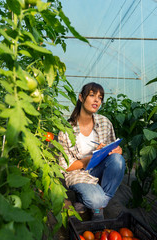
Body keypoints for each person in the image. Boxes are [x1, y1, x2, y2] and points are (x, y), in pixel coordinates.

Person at [58, 82, 126, 220]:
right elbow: (66, 167)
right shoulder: (66, 129)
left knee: (118, 160)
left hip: (99, 170)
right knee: (96, 200)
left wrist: (118, 150)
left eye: (100, 97)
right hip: (78, 174)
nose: (97, 100)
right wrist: (91, 158)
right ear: (81, 98)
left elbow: (114, 149)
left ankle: (92, 203)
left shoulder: (105, 123)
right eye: (92, 95)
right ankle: (96, 204)